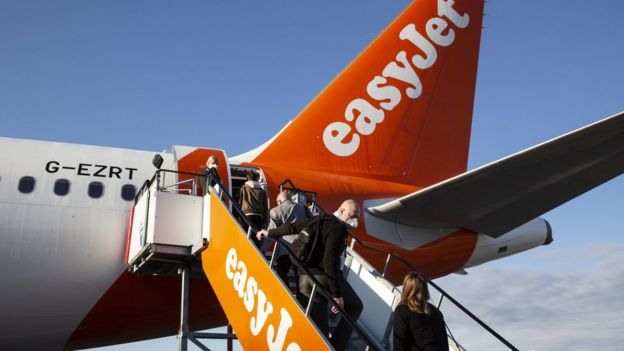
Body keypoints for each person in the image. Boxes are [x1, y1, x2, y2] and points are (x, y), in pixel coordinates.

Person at [257, 199, 363, 351]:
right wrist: (336, 295)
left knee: (321, 336)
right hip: (322, 279)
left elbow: (293, 227)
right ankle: (337, 347)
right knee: (356, 306)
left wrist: (269, 232)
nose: (355, 222)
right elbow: (329, 261)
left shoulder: (319, 219)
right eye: (353, 216)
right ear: (341, 211)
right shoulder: (337, 228)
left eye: (357, 218)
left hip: (304, 281)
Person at [393, 272, 449, 351]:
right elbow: (444, 343)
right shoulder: (436, 312)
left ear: (405, 289)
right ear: (425, 289)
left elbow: (399, 344)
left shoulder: (402, 309)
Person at [266, 190, 310, 288]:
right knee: (299, 278)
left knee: (282, 272)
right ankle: (299, 299)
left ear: (280, 201)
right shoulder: (304, 208)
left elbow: (271, 232)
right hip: (301, 248)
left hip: (284, 249)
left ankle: (285, 292)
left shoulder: (275, 211)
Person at [239, 172, 269, 247]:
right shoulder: (262, 191)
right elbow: (265, 206)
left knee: (246, 235)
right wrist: (265, 220)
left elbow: (240, 202)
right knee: (257, 237)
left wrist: (239, 215)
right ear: (257, 179)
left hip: (247, 214)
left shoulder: (244, 188)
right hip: (259, 216)